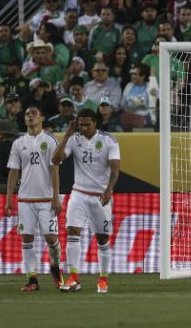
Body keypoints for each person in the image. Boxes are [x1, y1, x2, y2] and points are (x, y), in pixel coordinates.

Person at [53, 109, 121, 294]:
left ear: (95, 123)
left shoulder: (109, 140)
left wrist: (109, 189)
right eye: (80, 124)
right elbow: (55, 159)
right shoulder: (74, 139)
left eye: (87, 124)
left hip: (100, 196)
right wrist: (67, 134)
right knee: (72, 232)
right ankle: (74, 278)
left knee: (102, 238)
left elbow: (115, 169)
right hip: (79, 193)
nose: (83, 128)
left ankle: (103, 279)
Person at [4, 106, 65, 291]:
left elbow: (55, 170)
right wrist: (9, 199)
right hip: (25, 199)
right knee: (26, 238)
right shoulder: (18, 143)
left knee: (51, 237)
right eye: (27, 114)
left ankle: (55, 269)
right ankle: (32, 280)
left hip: (47, 199)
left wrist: (56, 197)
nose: (30, 116)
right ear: (25, 120)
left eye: (34, 114)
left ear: (42, 118)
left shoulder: (51, 140)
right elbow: (14, 171)